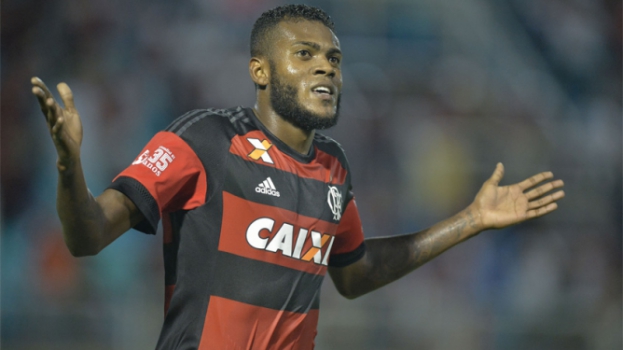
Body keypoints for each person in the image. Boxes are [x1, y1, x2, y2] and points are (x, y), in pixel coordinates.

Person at [31, 4, 565, 350]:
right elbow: (88, 236)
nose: (326, 68)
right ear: (260, 71)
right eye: (304, 55)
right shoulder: (203, 140)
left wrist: (470, 220)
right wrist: (68, 166)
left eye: (333, 59)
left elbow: (354, 275)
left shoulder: (334, 168)